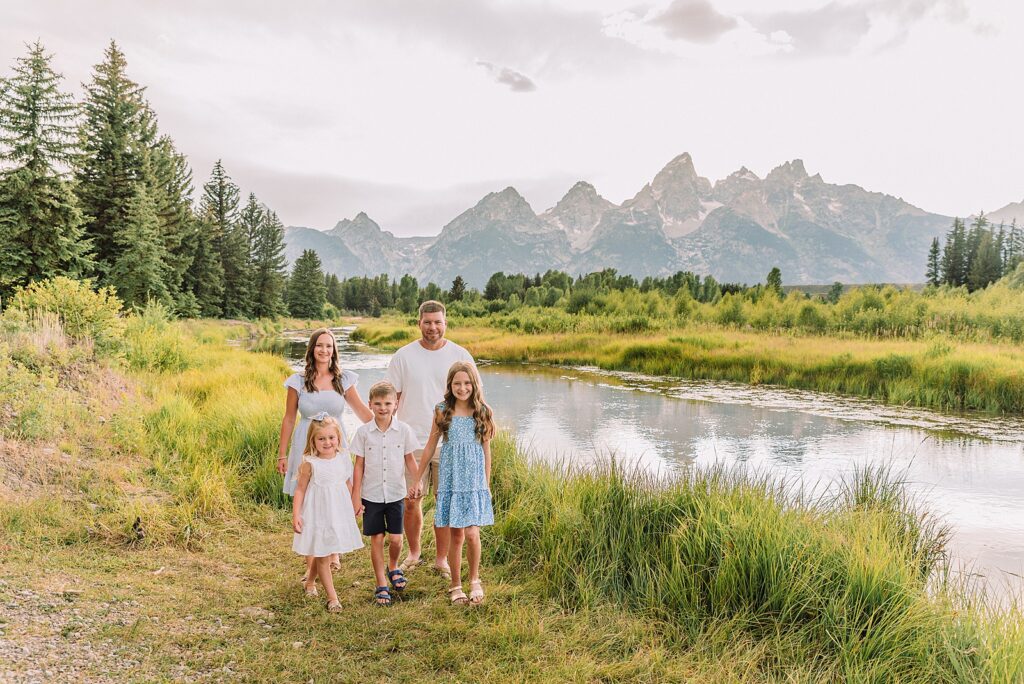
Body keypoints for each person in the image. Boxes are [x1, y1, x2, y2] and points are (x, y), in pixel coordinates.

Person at [386, 301, 477, 580]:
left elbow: (476, 399)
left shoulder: (460, 355)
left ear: (445, 323)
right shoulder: (403, 356)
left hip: (449, 443)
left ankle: (441, 560)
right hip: (412, 443)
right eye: (427, 322)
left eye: (437, 322)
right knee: (411, 500)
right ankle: (414, 553)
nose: (432, 327)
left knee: (444, 502)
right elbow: (392, 399)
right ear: (419, 323)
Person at [278, 328, 371, 575]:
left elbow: (362, 412)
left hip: (334, 445)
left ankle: (333, 551)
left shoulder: (343, 379)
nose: (324, 350)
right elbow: (288, 419)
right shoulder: (297, 381)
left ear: (334, 350)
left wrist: (385, 428)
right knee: (310, 497)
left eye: (329, 346)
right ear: (312, 349)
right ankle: (313, 555)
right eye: (320, 345)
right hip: (306, 445)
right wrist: (282, 453)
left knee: (335, 494)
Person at [412, 361, 494, 605]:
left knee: (472, 534)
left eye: (467, 383)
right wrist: (417, 477)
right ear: (450, 385)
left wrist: (486, 485)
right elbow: (430, 445)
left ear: (474, 385)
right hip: (451, 479)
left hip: (474, 482)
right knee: (456, 535)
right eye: (457, 383)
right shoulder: (442, 410)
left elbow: (487, 450)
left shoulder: (483, 411)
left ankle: (475, 580)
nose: (462, 388)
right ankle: (456, 584)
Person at [350, 381, 421, 607]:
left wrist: (417, 481)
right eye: (378, 403)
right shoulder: (363, 433)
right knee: (377, 538)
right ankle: (381, 581)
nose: (383, 407)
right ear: (370, 404)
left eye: (388, 403)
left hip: (395, 493)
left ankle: (393, 565)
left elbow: (410, 459)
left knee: (396, 539)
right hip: (371, 494)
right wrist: (355, 495)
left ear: (396, 404)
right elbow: (358, 466)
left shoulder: (404, 431)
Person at [292, 414, 364, 612]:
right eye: (321, 438)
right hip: (318, 512)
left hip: (338, 511)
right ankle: (333, 598)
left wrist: (355, 503)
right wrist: (296, 514)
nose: (327, 442)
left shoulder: (342, 458)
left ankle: (309, 583)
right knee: (323, 554)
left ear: (338, 438)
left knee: (323, 549)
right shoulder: (310, 462)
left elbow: (348, 483)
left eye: (331, 437)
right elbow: (300, 489)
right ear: (313, 440)